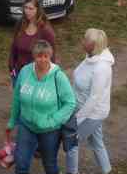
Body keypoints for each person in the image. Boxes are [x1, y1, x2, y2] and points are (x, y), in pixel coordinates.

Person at [7, 39, 76, 174]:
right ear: (34, 56)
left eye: (46, 56)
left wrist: (51, 121)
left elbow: (70, 103)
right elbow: (17, 98)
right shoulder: (25, 72)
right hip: (27, 126)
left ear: (50, 56)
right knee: (21, 163)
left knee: (49, 164)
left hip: (50, 130)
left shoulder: (58, 77)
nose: (42, 60)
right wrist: (12, 120)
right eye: (39, 56)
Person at [65, 29, 114, 174]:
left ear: (94, 45)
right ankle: (107, 170)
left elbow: (94, 98)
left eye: (86, 40)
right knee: (97, 143)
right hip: (81, 108)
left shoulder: (101, 68)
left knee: (71, 142)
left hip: (93, 114)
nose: (82, 41)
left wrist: (76, 119)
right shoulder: (90, 58)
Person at [8, 0, 55, 86]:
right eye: (26, 7)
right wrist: (11, 67)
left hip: (36, 77)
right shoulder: (20, 24)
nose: (27, 11)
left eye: (31, 9)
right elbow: (14, 47)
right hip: (18, 75)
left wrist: (48, 78)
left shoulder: (46, 31)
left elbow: (52, 57)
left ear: (38, 10)